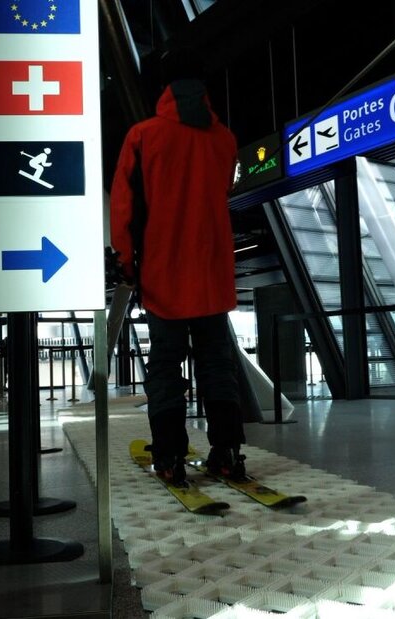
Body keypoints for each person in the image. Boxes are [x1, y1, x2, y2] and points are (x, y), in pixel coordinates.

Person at [108, 49, 245, 486]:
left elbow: (124, 207)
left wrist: (126, 264)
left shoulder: (143, 135)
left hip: (164, 274)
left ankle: (169, 455)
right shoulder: (225, 139)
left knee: (166, 366)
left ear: (164, 88)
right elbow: (222, 192)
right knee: (217, 364)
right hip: (213, 273)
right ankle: (228, 452)